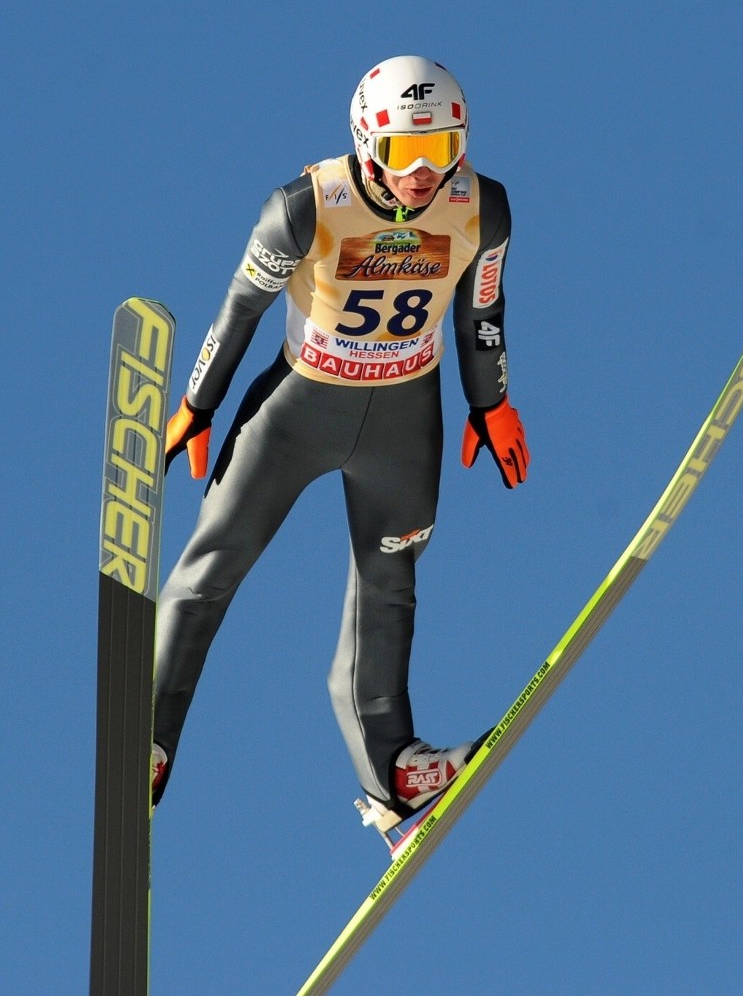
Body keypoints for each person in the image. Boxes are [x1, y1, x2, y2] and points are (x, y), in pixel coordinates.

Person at [152, 55, 529, 832]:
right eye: (401, 153)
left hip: (402, 419)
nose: (423, 173)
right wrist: (199, 399)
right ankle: (146, 737)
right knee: (210, 569)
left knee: (388, 588)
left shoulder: (483, 207)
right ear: (365, 142)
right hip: (298, 409)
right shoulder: (304, 206)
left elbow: (480, 314)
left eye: (443, 147)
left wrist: (491, 403)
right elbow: (240, 308)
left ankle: (396, 776)